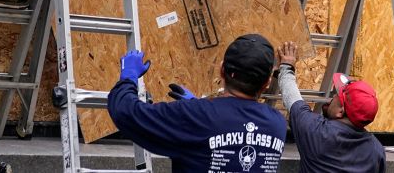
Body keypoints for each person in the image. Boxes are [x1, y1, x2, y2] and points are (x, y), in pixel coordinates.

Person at [108, 34, 286, 172]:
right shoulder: (277, 124)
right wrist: (199, 107)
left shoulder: (196, 117)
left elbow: (126, 112)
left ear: (222, 70)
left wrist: (128, 77)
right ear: (267, 83)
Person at [276, 41, 385, 173]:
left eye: (337, 95)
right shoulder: (376, 150)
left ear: (341, 111)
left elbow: (292, 98)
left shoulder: (316, 131)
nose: (332, 98)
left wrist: (287, 66)